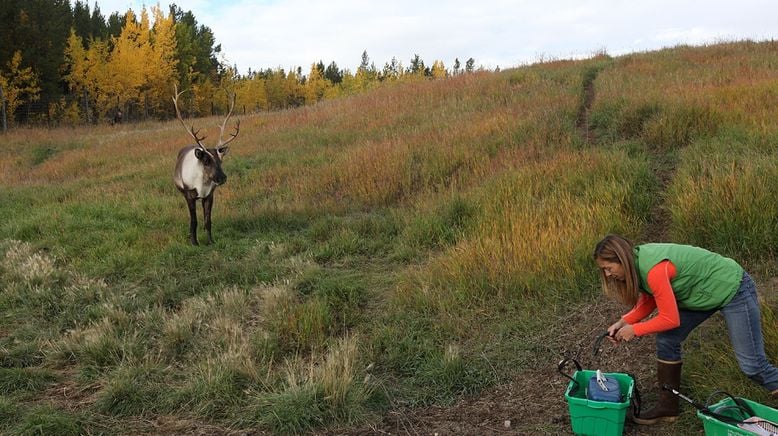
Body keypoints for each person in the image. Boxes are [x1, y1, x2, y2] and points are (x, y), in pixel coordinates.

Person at [593, 234, 778, 425]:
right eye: (604, 270)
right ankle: (667, 408)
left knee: (753, 365)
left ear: (622, 259)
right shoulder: (638, 262)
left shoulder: (653, 269)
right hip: (700, 293)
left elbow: (669, 319)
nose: (607, 274)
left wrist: (635, 329)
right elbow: (651, 298)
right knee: (667, 340)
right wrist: (623, 322)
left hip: (731, 287)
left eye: (608, 268)